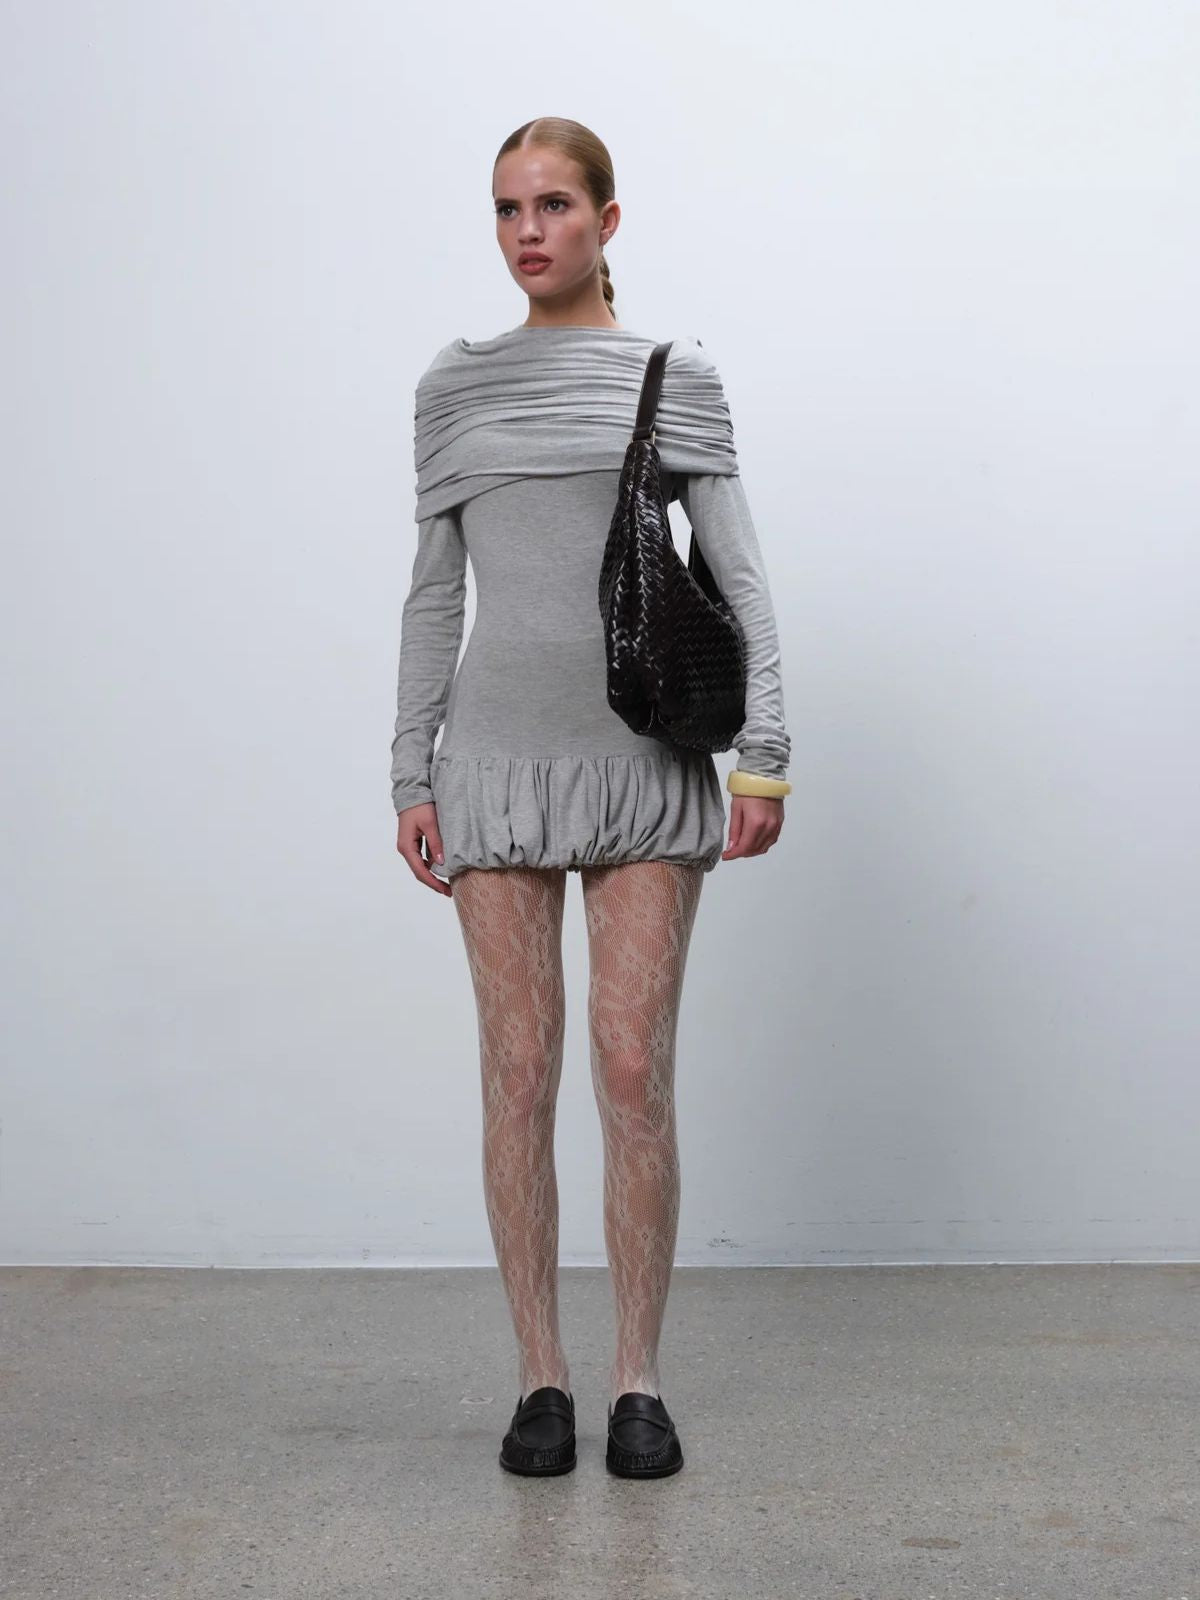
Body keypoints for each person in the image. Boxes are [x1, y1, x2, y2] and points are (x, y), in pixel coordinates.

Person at [390, 117, 792, 1479]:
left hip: (643, 766)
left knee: (631, 1073)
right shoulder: (456, 388)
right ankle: (539, 1381)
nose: (529, 231)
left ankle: (637, 1381)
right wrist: (409, 770)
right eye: (509, 208)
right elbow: (433, 596)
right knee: (517, 1074)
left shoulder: (673, 377)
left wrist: (766, 754)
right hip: (494, 767)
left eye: (555, 205)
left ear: (608, 220)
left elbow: (742, 579)